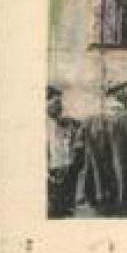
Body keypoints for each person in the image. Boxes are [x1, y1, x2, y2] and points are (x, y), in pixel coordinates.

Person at [76, 81, 127, 217]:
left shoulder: (89, 122)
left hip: (99, 193)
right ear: (119, 96)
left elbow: (80, 160)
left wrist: (83, 191)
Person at [46, 85, 82, 218]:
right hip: (50, 177)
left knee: (65, 212)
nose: (60, 107)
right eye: (56, 103)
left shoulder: (65, 124)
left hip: (65, 175)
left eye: (60, 103)